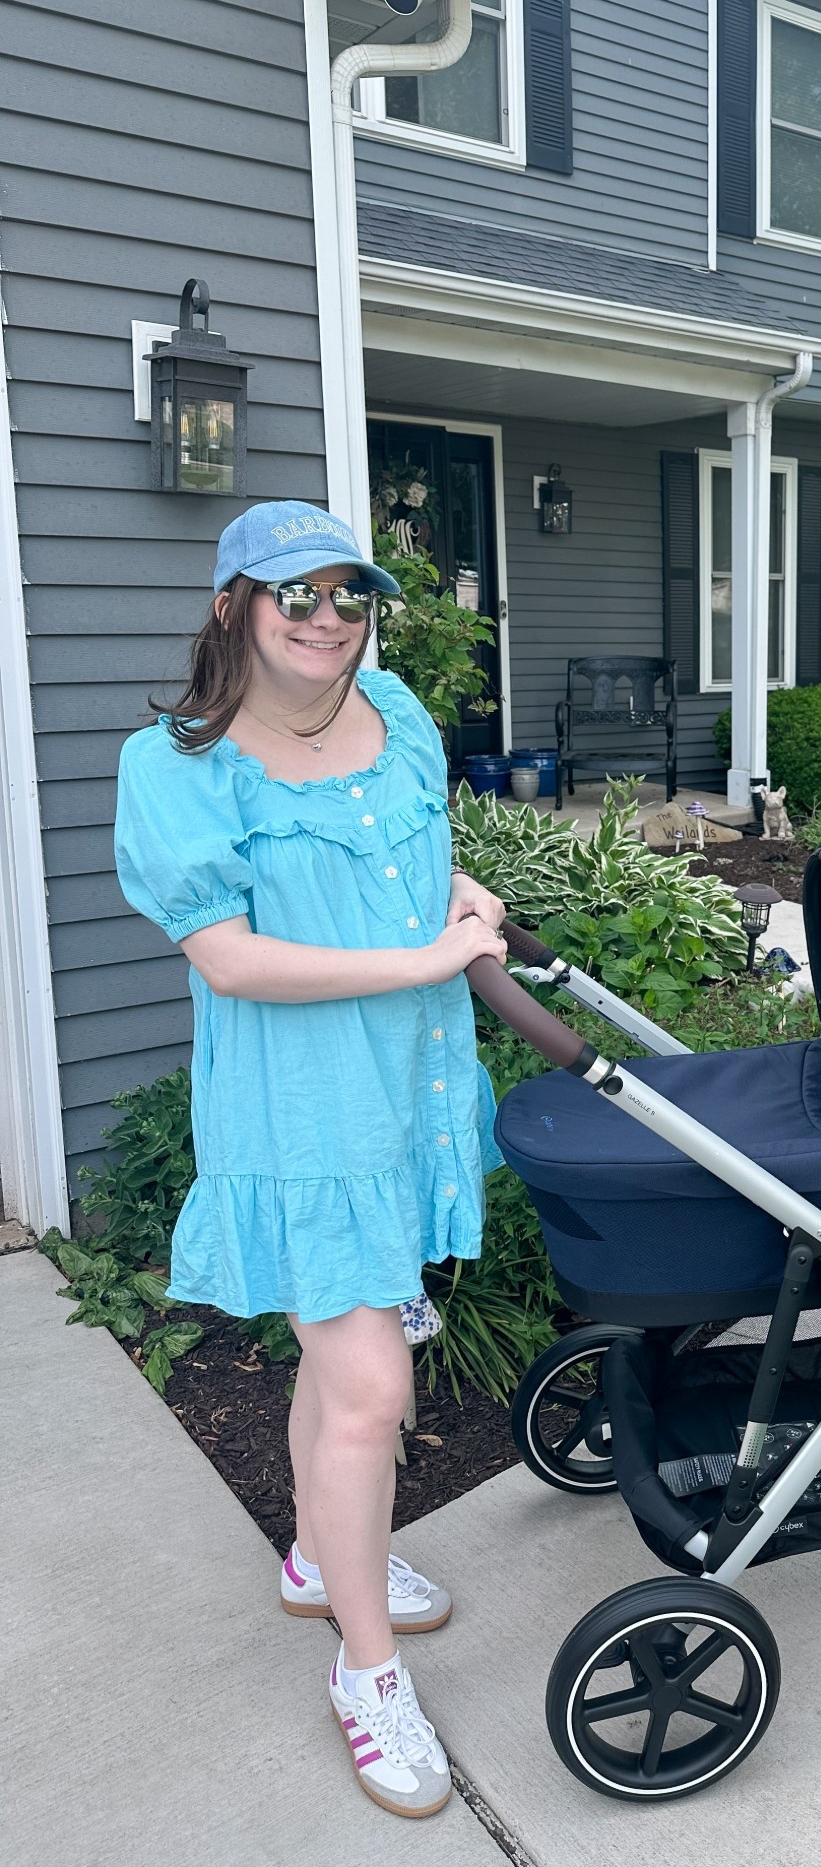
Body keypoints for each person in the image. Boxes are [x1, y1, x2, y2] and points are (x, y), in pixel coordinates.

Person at [113, 500, 509, 1819]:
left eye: (350, 595)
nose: (329, 619)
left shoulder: (393, 711)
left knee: (347, 1389)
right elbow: (229, 957)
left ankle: (316, 1559)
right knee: (372, 1395)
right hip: (300, 1122)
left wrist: (467, 904)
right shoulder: (176, 764)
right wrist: (419, 957)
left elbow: (423, 871)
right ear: (233, 607)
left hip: (405, 1096)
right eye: (298, 596)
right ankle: (367, 1670)